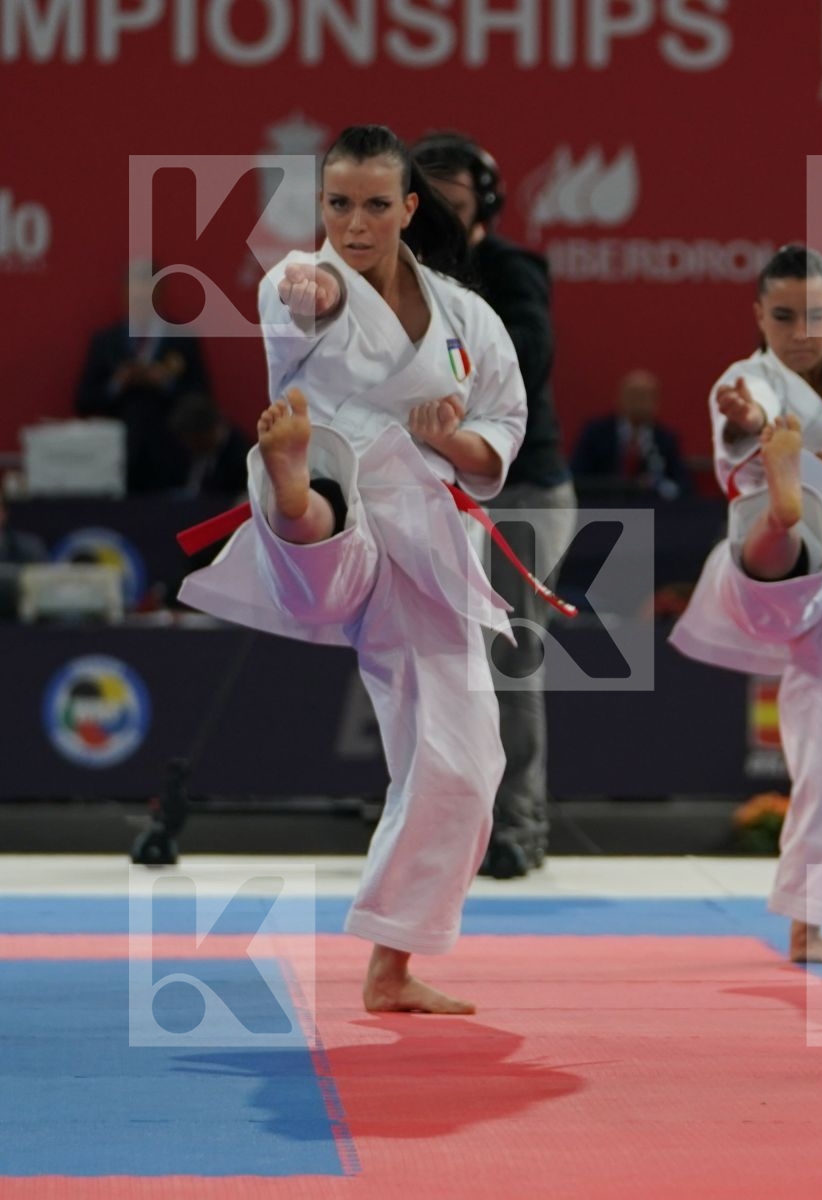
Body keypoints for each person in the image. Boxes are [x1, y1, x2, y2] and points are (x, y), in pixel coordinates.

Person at [179, 125, 527, 1015]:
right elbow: (312, 293)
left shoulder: (465, 314)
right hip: (342, 492)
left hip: (428, 540)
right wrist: (312, 281)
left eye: (377, 204)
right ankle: (296, 492)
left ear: (411, 208)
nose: (357, 222)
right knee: (325, 490)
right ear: (319, 207)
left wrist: (450, 438)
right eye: (338, 205)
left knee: (466, 761)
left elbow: (503, 433)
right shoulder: (300, 281)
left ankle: (393, 962)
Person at [669, 245, 822, 963]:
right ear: (758, 317)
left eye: (816, 314)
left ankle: (811, 922)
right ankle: (788, 506)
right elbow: (745, 425)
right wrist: (746, 427)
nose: (802, 330)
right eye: (783, 316)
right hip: (782, 576)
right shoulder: (748, 381)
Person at [416, 130, 574, 879]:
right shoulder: (399, 277)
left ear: (484, 205)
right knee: (441, 659)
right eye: (431, 200)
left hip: (522, 485)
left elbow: (529, 353)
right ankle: (447, 821)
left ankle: (519, 825)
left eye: (457, 200)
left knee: (510, 654)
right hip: (431, 484)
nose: (444, 215)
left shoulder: (511, 270)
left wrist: (457, 369)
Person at [75, 260, 212, 493]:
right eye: (134, 296)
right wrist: (118, 383)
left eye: (145, 296)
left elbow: (203, 401)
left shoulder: (182, 339)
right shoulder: (106, 342)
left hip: (171, 459)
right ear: (123, 295)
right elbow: (83, 401)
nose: (139, 303)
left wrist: (165, 382)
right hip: (115, 464)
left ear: (159, 294)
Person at [570, 370, 692, 499]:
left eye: (645, 397)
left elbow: (684, 486)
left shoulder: (665, 439)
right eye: (633, 396)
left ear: (656, 402)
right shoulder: (596, 433)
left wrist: (658, 486)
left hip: (652, 511)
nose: (639, 403)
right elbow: (578, 478)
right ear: (619, 398)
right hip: (603, 508)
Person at [169, 392, 252, 498]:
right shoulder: (194, 455)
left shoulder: (241, 456)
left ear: (204, 434)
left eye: (193, 441)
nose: (189, 446)